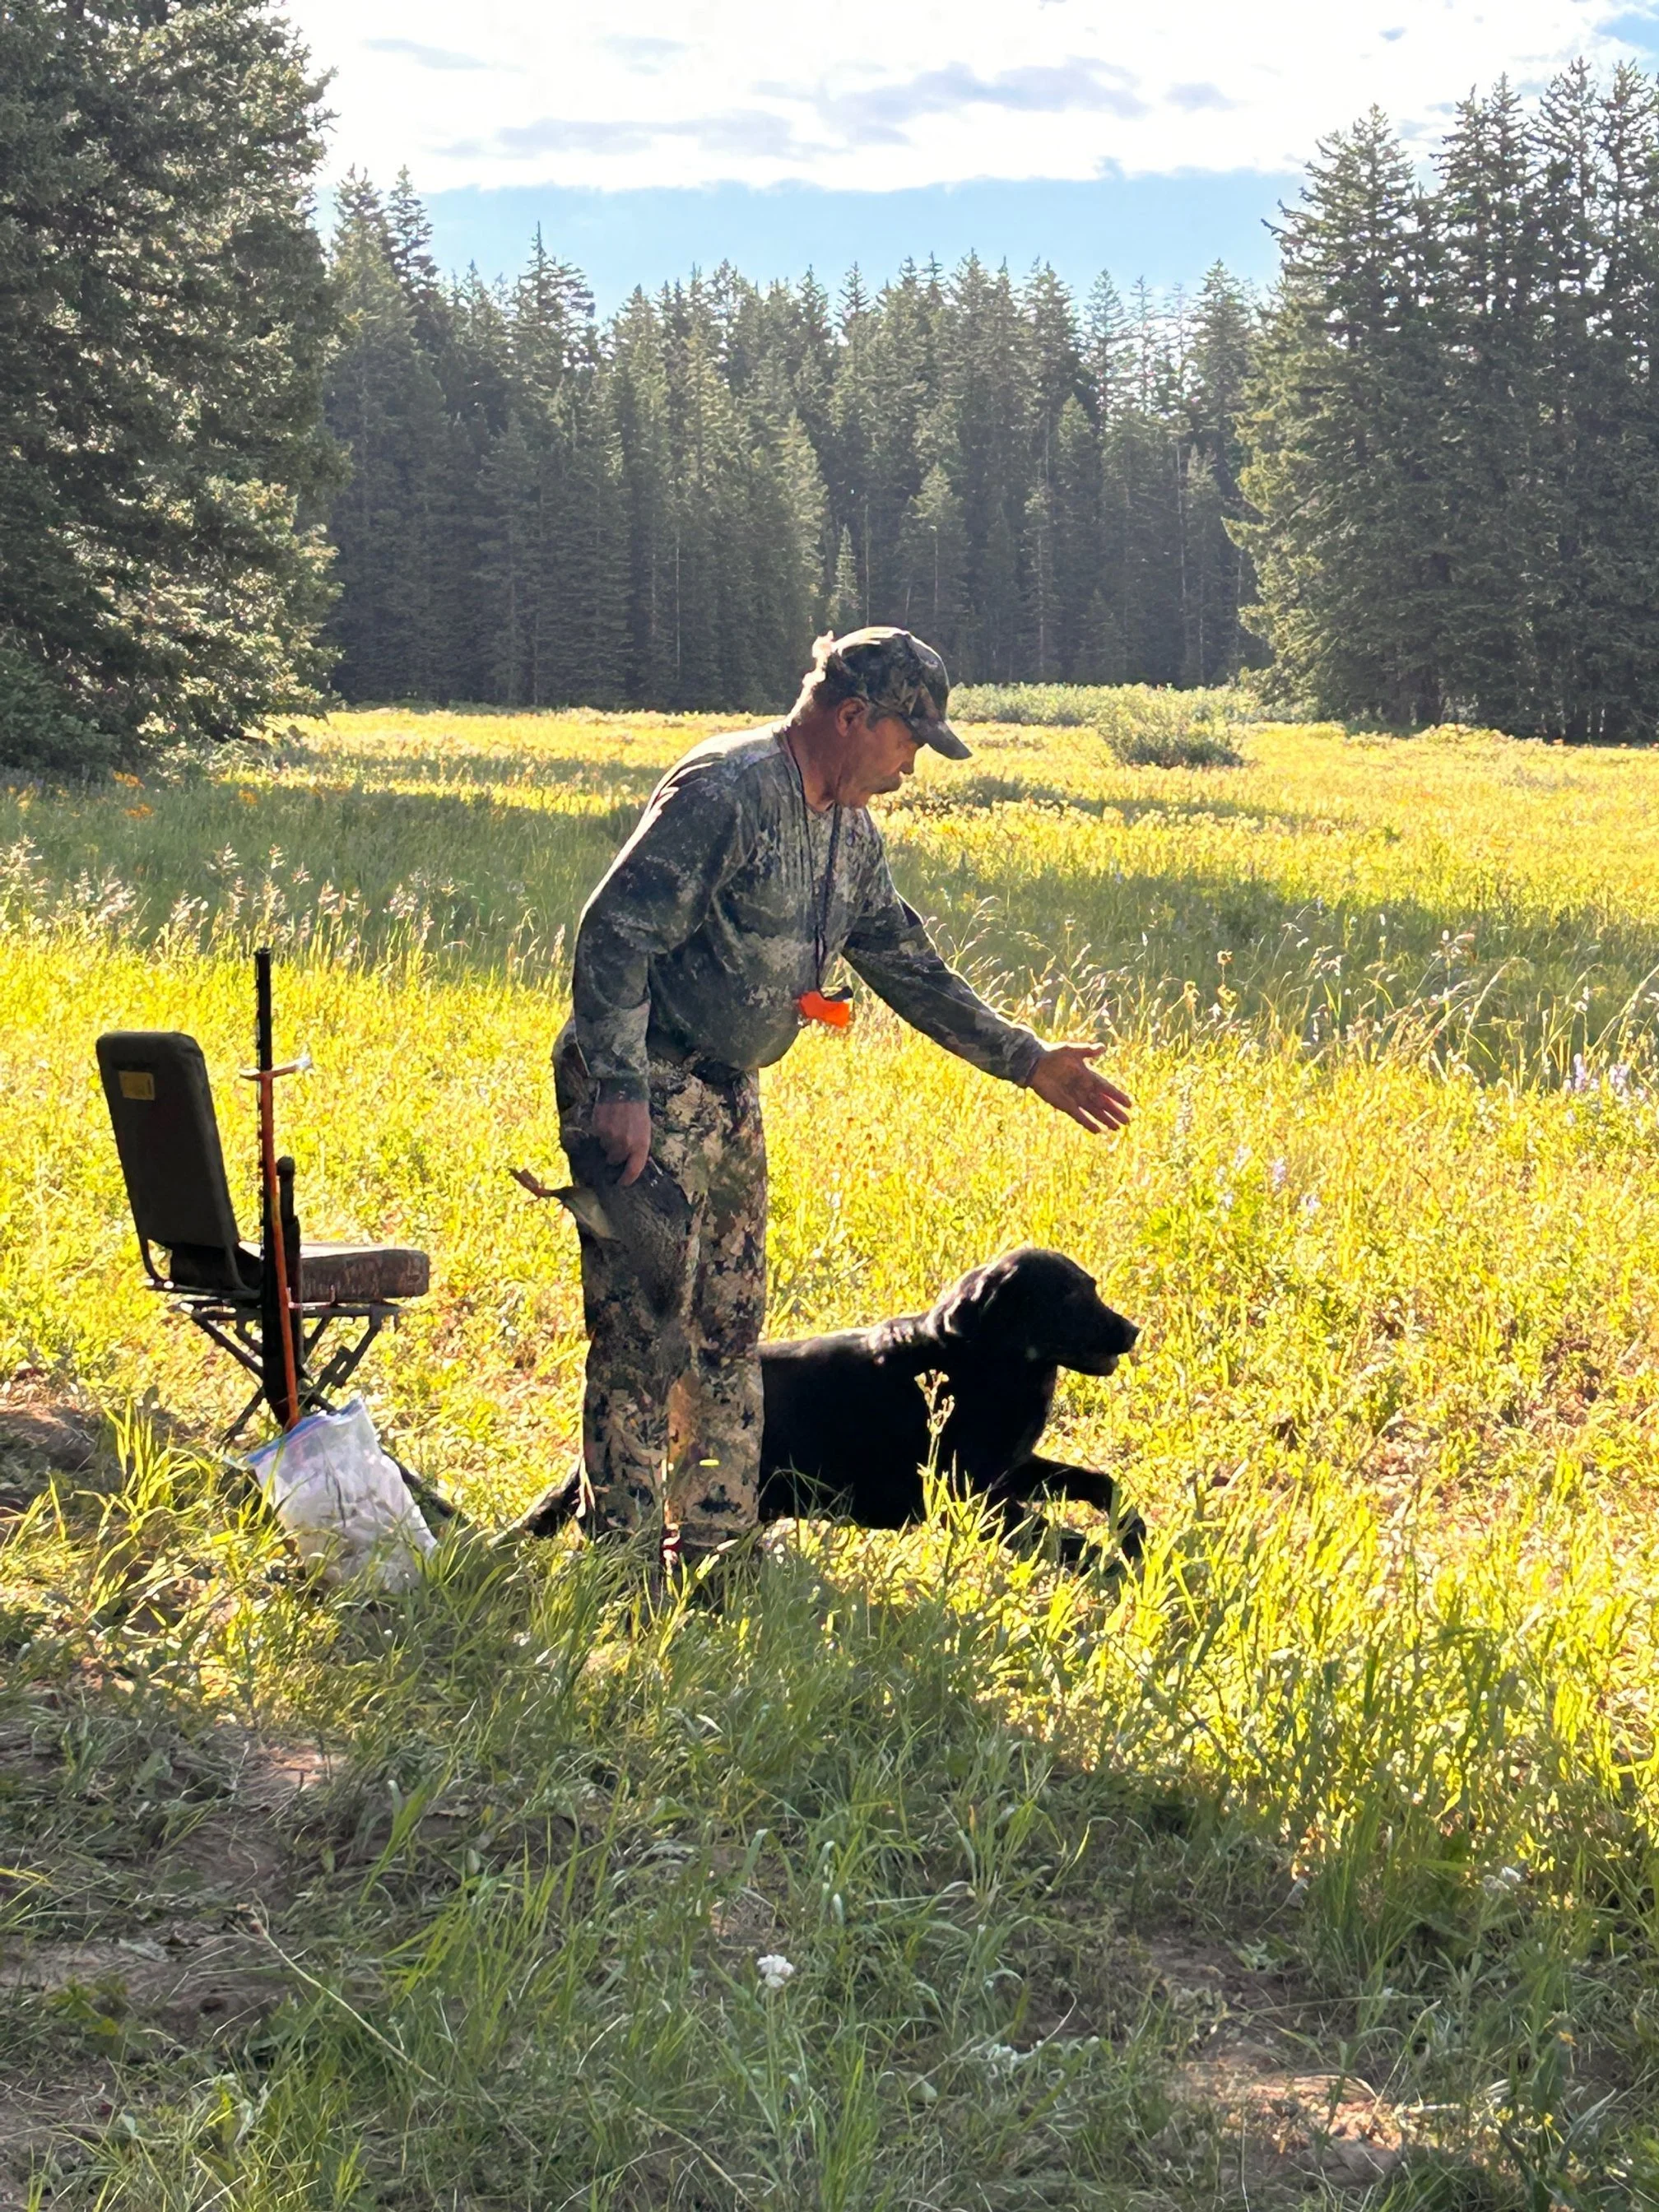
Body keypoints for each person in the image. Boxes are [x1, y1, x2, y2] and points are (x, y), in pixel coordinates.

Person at [551, 626, 1132, 1576]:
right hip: (641, 1087)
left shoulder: (848, 832)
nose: (911, 768)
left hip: (725, 1091)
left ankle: (715, 1549)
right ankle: (618, 1565)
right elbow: (614, 933)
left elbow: (908, 964)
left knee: (729, 1328)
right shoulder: (728, 793)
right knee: (643, 1333)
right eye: (908, 742)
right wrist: (617, 1089)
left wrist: (1029, 1061)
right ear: (853, 716)